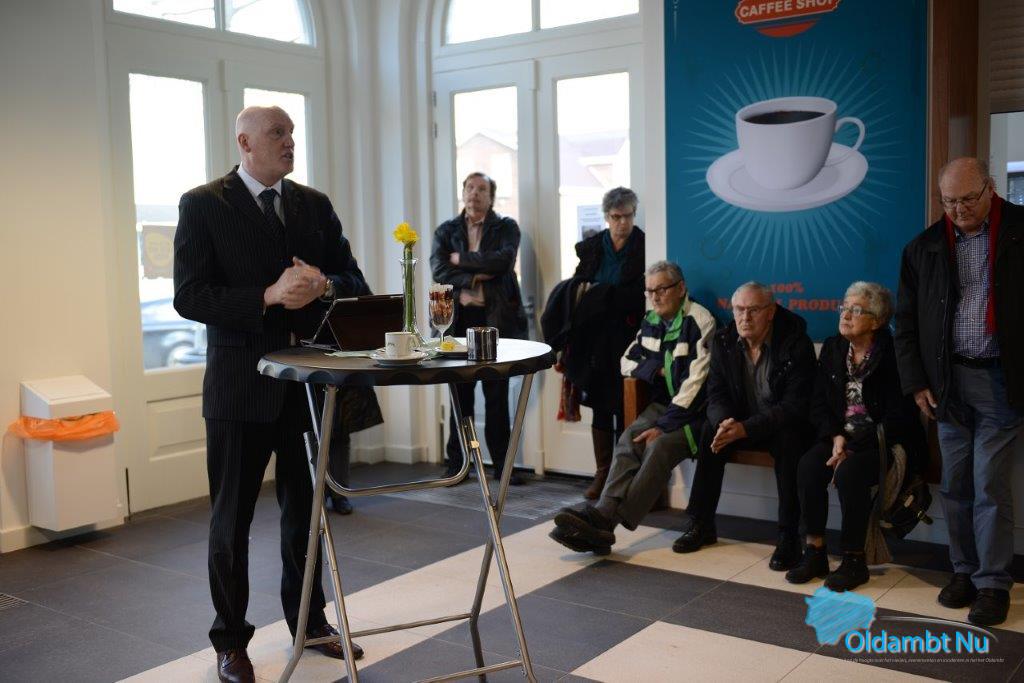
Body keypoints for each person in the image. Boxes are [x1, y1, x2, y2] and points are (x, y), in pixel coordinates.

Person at [174, 106, 370, 682]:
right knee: (230, 522)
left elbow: (355, 281)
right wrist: (267, 295)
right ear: (245, 142)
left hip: (306, 388)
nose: (289, 142)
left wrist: (324, 284)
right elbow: (190, 296)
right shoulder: (202, 205)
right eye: (277, 134)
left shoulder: (314, 204)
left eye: (291, 133)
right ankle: (230, 642)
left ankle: (310, 622)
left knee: (305, 518)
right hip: (239, 388)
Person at [895, 157, 1024, 626]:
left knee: (988, 483)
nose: (958, 210)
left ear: (990, 188)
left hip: (1001, 380)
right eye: (949, 201)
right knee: (955, 484)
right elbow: (905, 323)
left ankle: (992, 583)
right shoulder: (924, 247)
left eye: (968, 199)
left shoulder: (1018, 231)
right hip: (946, 383)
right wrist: (916, 382)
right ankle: (964, 571)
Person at [548, 261, 716, 554]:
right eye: (650, 291)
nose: (655, 297)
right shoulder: (651, 320)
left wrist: (663, 426)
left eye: (661, 289)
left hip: (697, 412)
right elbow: (626, 361)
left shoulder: (700, 321)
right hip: (664, 404)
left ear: (681, 289)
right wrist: (656, 370)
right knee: (629, 439)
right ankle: (603, 517)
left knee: (659, 445)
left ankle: (605, 523)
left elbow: (696, 385)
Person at [788, 283, 925, 590]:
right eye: (844, 308)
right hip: (841, 437)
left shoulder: (894, 353)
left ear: (877, 320)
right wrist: (836, 438)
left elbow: (899, 417)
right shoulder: (834, 347)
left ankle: (854, 560)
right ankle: (815, 551)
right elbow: (819, 403)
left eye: (856, 310)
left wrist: (851, 447)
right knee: (809, 466)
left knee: (850, 473)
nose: (846, 315)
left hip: (883, 441)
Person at [673, 283, 816, 572]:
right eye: (739, 309)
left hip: (780, 424)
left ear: (771, 312)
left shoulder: (796, 343)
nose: (744, 317)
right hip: (740, 423)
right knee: (710, 431)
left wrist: (745, 429)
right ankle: (701, 524)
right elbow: (716, 394)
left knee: (790, 440)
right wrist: (724, 422)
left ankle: (788, 536)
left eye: (753, 310)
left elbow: (794, 407)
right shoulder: (724, 340)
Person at [431, 172, 529, 484]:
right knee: (460, 397)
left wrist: (461, 259)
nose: (475, 193)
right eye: (470, 188)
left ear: (491, 196)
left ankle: (502, 465)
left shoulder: (506, 227)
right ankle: (457, 464)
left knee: (496, 396)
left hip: (494, 321)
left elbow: (504, 261)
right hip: (459, 321)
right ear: (463, 193)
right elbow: (439, 269)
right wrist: (475, 275)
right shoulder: (446, 230)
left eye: (482, 189)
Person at [562, 187, 646, 498]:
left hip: (629, 336)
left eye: (628, 216)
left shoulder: (644, 245)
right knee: (599, 406)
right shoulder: (593, 247)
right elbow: (579, 286)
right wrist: (600, 296)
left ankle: (623, 477)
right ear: (607, 217)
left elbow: (639, 296)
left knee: (626, 407)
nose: (623, 222)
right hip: (595, 338)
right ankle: (601, 474)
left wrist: (603, 294)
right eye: (616, 216)